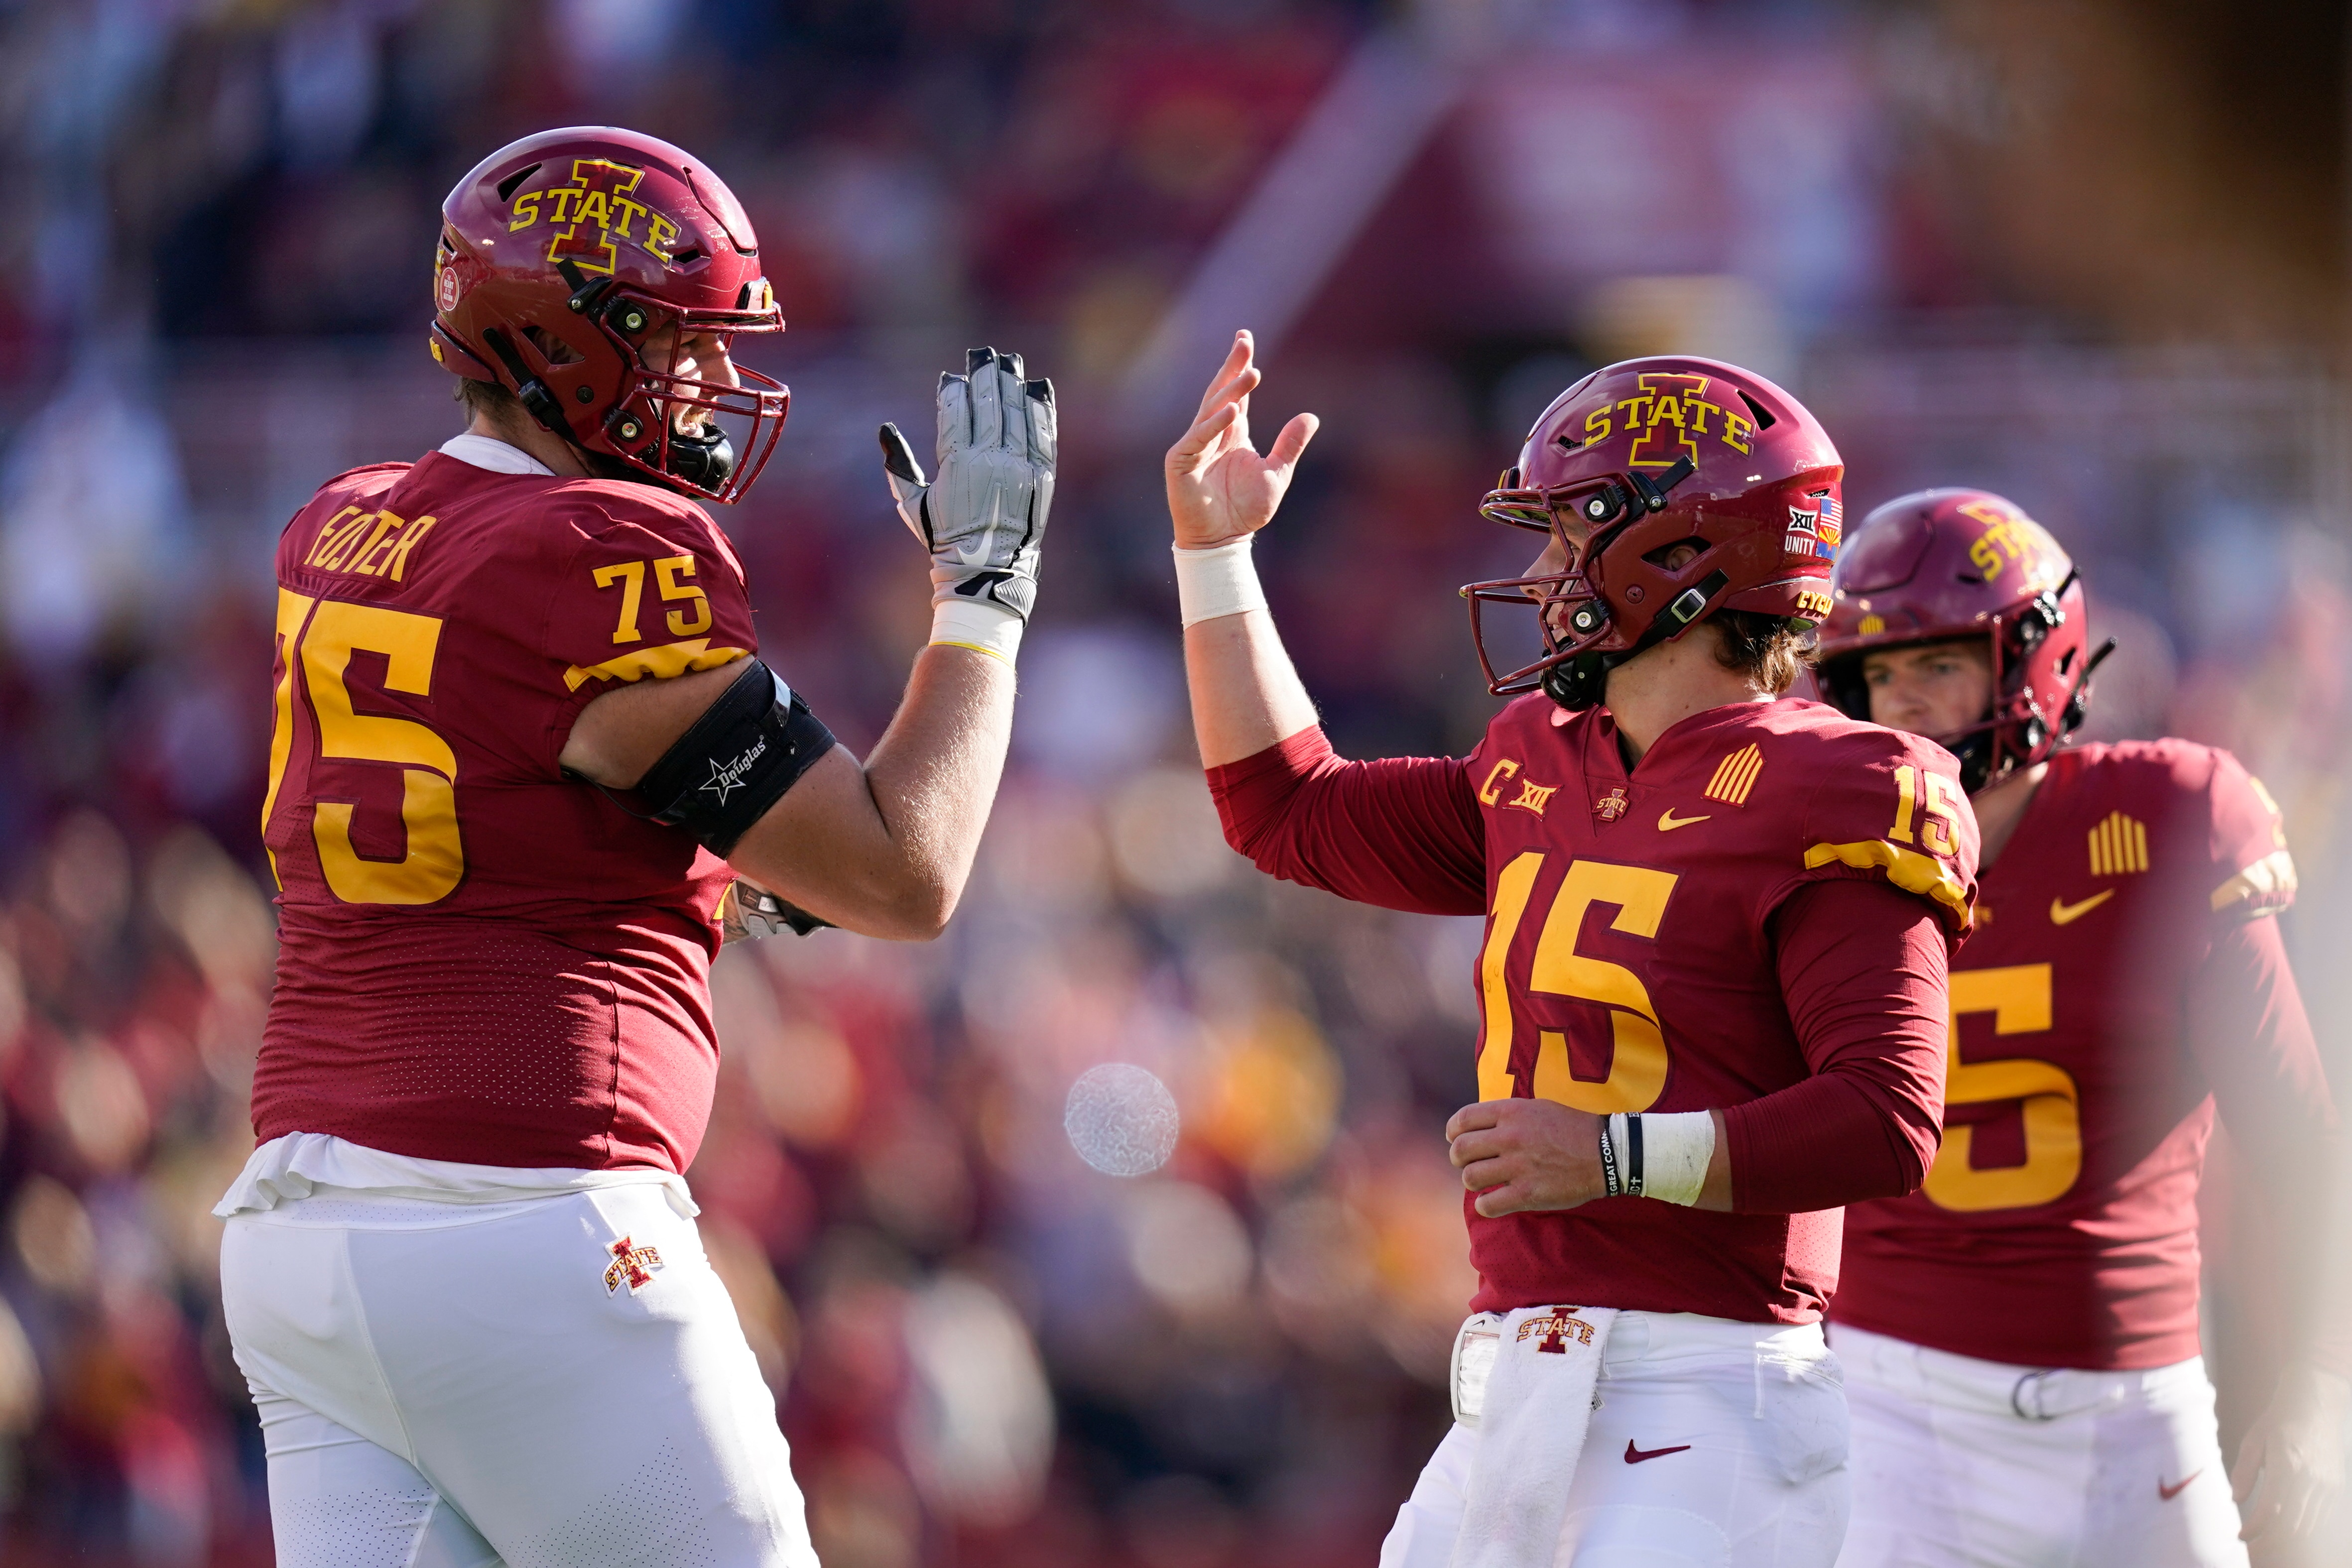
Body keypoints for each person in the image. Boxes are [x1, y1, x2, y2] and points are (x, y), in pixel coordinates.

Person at [217, 126, 1056, 1568]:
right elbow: (904, 873)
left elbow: (508, 820)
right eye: (681, 340)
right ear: (565, 334)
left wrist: (720, 883)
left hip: (299, 1232)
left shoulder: (339, 526)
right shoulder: (605, 546)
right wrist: (981, 599)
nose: (715, 382)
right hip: (523, 1217)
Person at [1168, 333, 1977, 1568]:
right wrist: (1216, 559)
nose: (1542, 569)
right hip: (1517, 1375)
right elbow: (1286, 811)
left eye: (1569, 529)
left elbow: (1886, 1119)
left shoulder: (1842, 785)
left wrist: (1609, 1154)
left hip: (1710, 1385)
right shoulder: (1539, 756)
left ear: (1678, 553)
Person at [1813, 489, 2347, 1567]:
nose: (1902, 708)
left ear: (2031, 665)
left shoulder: (2166, 822)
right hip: (1883, 1407)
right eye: (1877, 677)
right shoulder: (1811, 848)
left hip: (2132, 1412)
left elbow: (2299, 1146)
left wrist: (2321, 1388)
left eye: (1935, 667)